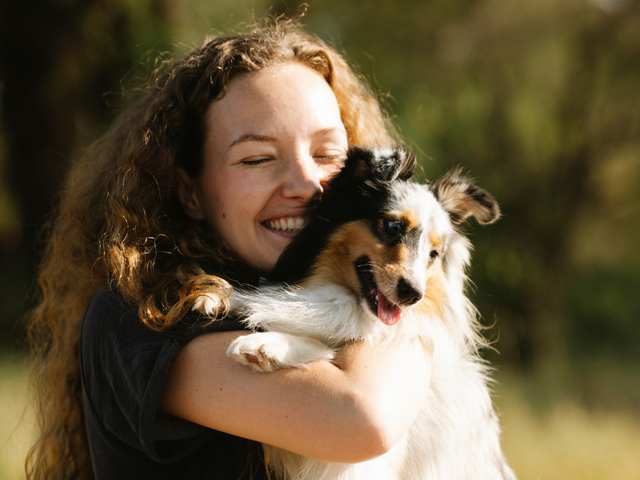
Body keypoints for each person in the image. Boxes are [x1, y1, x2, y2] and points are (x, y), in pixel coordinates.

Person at [26, 18, 431, 479]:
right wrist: (413, 280)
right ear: (190, 191)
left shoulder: (334, 294)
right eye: (257, 158)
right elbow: (362, 416)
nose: (306, 185)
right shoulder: (139, 320)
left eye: (327, 155)